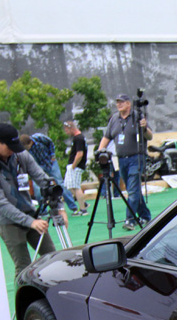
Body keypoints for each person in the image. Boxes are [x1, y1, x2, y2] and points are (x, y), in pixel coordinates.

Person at [0, 122, 67, 282]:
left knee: (51, 256)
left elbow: (43, 179)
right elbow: (1, 204)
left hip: (31, 215)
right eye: (9, 146)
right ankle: (23, 303)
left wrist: (60, 207)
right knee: (23, 267)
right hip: (8, 222)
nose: (13, 150)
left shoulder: (20, 155)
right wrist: (31, 222)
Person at [98, 92, 153, 229]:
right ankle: (145, 216)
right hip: (122, 160)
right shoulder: (114, 119)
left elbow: (149, 136)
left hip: (136, 157)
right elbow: (107, 137)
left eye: (122, 102)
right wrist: (100, 151)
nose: (119, 104)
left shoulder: (137, 116)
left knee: (133, 190)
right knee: (132, 189)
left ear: (128, 103)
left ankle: (130, 220)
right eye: (117, 102)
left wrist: (144, 127)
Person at [20, 131, 80, 213]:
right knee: (37, 188)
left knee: (60, 184)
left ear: (30, 142)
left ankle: (73, 207)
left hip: (51, 163)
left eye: (26, 147)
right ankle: (42, 211)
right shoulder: (25, 150)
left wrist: (52, 155)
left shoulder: (39, 138)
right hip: (39, 166)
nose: (26, 149)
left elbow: (50, 143)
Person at [63, 120, 89, 215]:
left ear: (71, 128)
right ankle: (83, 203)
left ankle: (83, 209)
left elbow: (79, 154)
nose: (66, 132)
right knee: (69, 186)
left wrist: (73, 166)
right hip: (73, 166)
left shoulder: (78, 138)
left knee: (75, 187)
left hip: (76, 166)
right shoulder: (77, 138)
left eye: (66, 130)